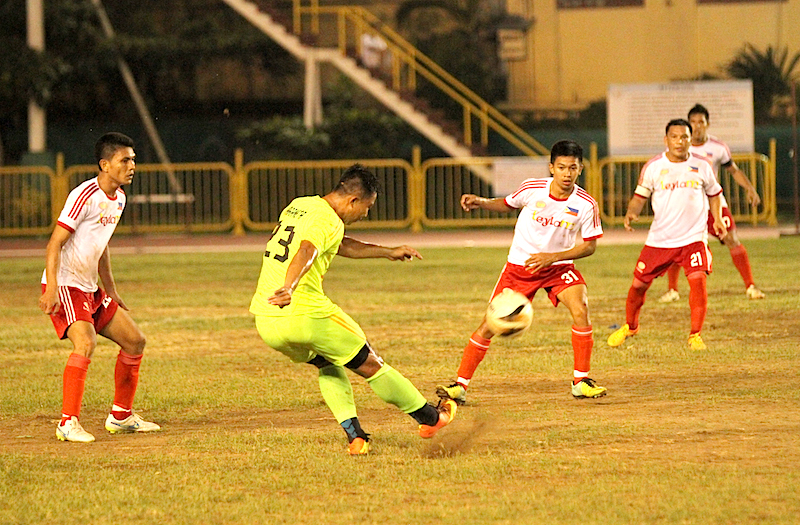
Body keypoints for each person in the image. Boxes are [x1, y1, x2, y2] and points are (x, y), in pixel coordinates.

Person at [249, 164, 456, 455]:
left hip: (267, 320)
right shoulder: (328, 221)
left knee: (327, 363)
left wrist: (388, 251)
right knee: (371, 363)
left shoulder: (301, 205)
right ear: (353, 201)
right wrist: (290, 287)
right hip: (305, 312)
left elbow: (338, 244)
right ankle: (432, 419)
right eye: (367, 207)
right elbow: (307, 250)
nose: (366, 214)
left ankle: (356, 437)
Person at [436, 140, 607, 405]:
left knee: (581, 307)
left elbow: (590, 246)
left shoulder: (586, 204)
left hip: (558, 267)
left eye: (572, 168)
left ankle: (581, 381)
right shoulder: (532, 188)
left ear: (581, 169)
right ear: (552, 167)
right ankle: (459, 385)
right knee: (489, 325)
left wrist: (554, 257)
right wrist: (481, 202)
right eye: (561, 167)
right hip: (520, 267)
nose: (566, 173)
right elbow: (507, 204)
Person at [39, 132, 160, 443]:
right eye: (125, 160)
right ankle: (68, 423)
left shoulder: (118, 197)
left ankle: (121, 416)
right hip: (66, 283)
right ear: (105, 164)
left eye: (133, 159)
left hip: (90, 288)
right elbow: (55, 244)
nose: (132, 165)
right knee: (85, 344)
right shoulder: (85, 195)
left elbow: (102, 246)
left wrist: (111, 289)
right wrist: (52, 287)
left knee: (135, 341)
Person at [608, 119, 727, 351]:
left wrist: (719, 218)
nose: (680, 142)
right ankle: (630, 326)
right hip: (660, 240)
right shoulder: (653, 166)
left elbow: (714, 193)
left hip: (694, 238)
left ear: (690, 139)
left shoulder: (702, 165)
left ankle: (695, 335)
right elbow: (639, 197)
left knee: (698, 280)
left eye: (684, 137)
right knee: (638, 285)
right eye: (675, 137)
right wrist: (631, 213)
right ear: (666, 140)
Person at [658, 104, 765, 303]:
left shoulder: (717, 147)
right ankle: (672, 290)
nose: (697, 126)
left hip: (713, 203)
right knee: (675, 245)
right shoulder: (678, 147)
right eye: (693, 122)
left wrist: (749, 188)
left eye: (701, 122)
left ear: (708, 124)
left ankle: (750, 286)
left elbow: (733, 170)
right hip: (687, 205)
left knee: (732, 239)